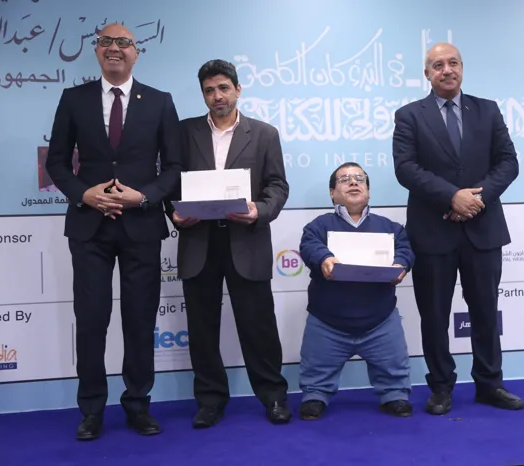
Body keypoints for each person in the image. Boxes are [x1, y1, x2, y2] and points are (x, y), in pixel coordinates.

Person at [45, 23, 182, 439]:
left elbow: (174, 167)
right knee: (91, 320)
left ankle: (138, 404)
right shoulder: (74, 99)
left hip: (142, 226)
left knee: (139, 321)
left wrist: (145, 196)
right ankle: (91, 410)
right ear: (97, 51)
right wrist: (83, 194)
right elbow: (56, 163)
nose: (114, 48)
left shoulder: (160, 101)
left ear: (137, 52)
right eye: (106, 42)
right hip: (90, 229)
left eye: (124, 42)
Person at [391, 42, 524, 414]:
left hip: (483, 229)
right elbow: (406, 168)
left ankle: (490, 385)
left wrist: (476, 199)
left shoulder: (487, 110)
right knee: (434, 315)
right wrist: (452, 197)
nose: (446, 70)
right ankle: (441, 388)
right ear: (427, 74)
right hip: (433, 231)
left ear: (462, 68)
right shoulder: (409, 116)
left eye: (452, 63)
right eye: (438, 65)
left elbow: (508, 162)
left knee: (485, 311)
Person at [165, 59, 291, 427]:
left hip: (246, 239)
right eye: (209, 90)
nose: (217, 96)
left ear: (238, 89)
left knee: (259, 327)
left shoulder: (264, 134)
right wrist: (173, 213)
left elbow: (277, 186)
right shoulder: (183, 132)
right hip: (198, 241)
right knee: (202, 329)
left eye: (223, 88)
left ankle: (273, 396)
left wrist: (259, 211)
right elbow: (169, 182)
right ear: (203, 95)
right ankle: (209, 401)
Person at [297, 162, 414, 420]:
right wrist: (324, 258)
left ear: (368, 191)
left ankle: (394, 393)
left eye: (360, 178)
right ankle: (316, 394)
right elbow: (309, 246)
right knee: (314, 387)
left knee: (397, 386)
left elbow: (405, 250)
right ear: (332, 192)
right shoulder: (317, 226)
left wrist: (401, 264)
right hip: (327, 322)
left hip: (380, 320)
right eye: (345, 179)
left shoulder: (391, 227)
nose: (353, 182)